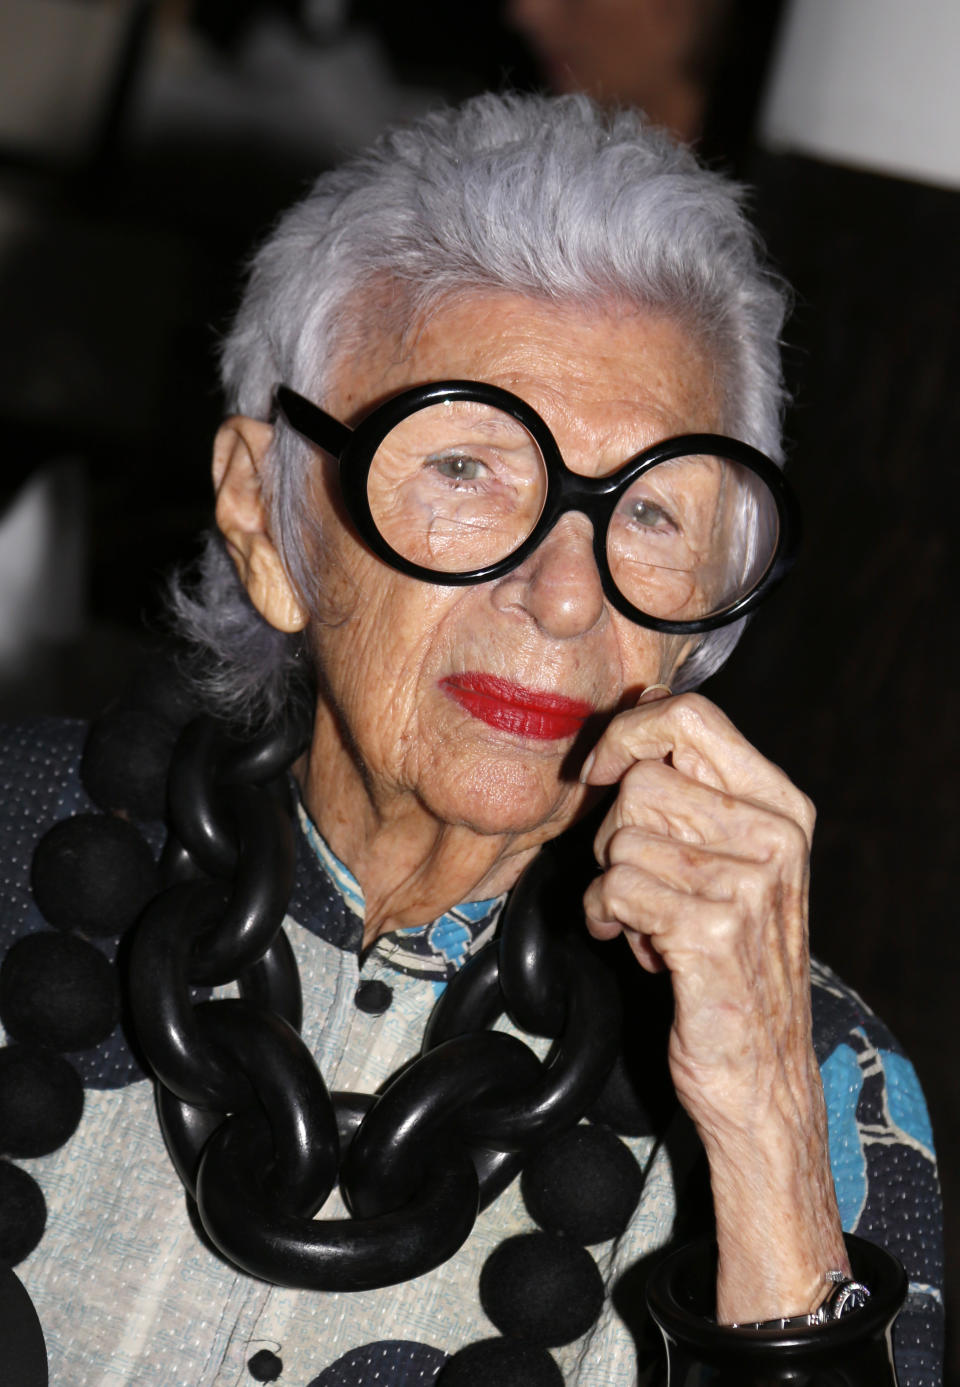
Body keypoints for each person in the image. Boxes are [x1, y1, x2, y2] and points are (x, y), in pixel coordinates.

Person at [0, 93, 942, 1386]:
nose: (566, 592)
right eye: (464, 469)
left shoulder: (823, 1079)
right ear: (266, 518)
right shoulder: (14, 847)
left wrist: (762, 1123)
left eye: (655, 513)